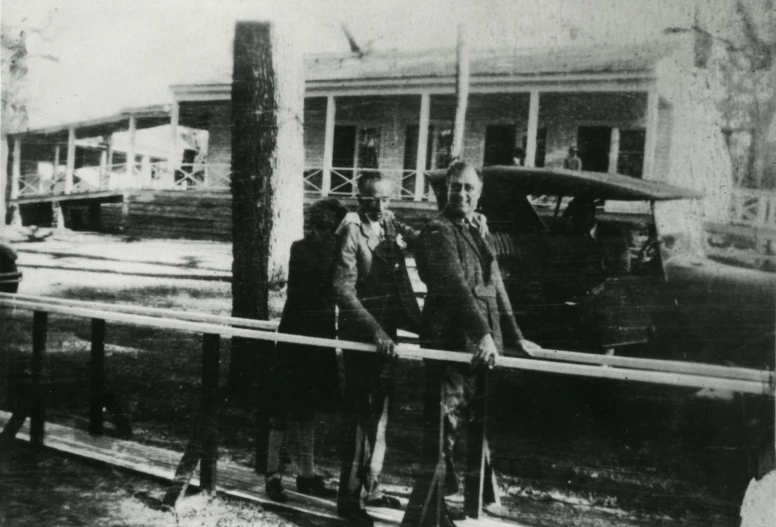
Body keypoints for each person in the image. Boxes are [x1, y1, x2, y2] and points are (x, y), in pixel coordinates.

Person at [411, 161, 541, 517]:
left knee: (472, 425)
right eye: (455, 187)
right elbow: (455, 288)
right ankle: (428, 511)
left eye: (469, 188)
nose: (462, 194)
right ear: (445, 191)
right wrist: (483, 334)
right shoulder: (440, 231)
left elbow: (493, 286)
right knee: (443, 428)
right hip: (451, 345)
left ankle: (466, 505)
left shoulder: (475, 230)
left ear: (479, 193)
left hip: (479, 347)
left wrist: (514, 336)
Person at [333, 172, 422, 526]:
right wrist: (374, 332)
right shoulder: (351, 231)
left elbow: (418, 246)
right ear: (359, 197)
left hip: (389, 334)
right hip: (362, 333)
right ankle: (349, 499)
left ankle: (373, 487)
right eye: (371, 200)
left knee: (380, 413)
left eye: (386, 199)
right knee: (360, 416)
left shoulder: (389, 225)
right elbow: (342, 290)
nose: (379, 206)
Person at [264, 198, 348, 503]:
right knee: (283, 408)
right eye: (313, 223)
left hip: (321, 333)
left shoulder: (336, 248)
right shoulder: (303, 249)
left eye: (324, 225)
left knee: (308, 409)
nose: (315, 230)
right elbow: (320, 286)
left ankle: (307, 475)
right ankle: (272, 474)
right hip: (297, 333)